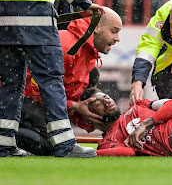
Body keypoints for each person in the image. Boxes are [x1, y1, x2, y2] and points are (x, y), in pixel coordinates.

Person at [0, 0, 107, 157]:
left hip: (4, 21)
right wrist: (84, 3)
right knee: (50, 81)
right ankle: (64, 145)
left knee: (10, 84)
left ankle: (3, 144)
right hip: (36, 20)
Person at [18, 8, 122, 156]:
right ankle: (6, 137)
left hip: (27, 98)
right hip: (19, 97)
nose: (118, 38)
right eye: (114, 31)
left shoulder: (85, 55)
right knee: (52, 144)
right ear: (97, 27)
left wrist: (91, 117)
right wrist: (73, 106)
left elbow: (61, 95)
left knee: (56, 140)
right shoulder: (67, 48)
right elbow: (31, 88)